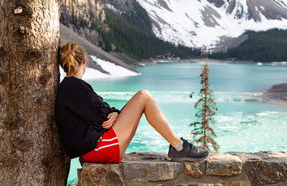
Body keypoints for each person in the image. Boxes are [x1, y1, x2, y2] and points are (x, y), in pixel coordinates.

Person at [55, 41, 209, 163]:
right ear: (84, 61)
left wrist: (114, 113)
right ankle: (179, 146)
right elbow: (102, 114)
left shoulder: (68, 87)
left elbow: (98, 110)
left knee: (141, 99)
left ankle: (179, 146)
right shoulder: (75, 86)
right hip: (99, 150)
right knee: (144, 96)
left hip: (93, 150)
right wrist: (113, 113)